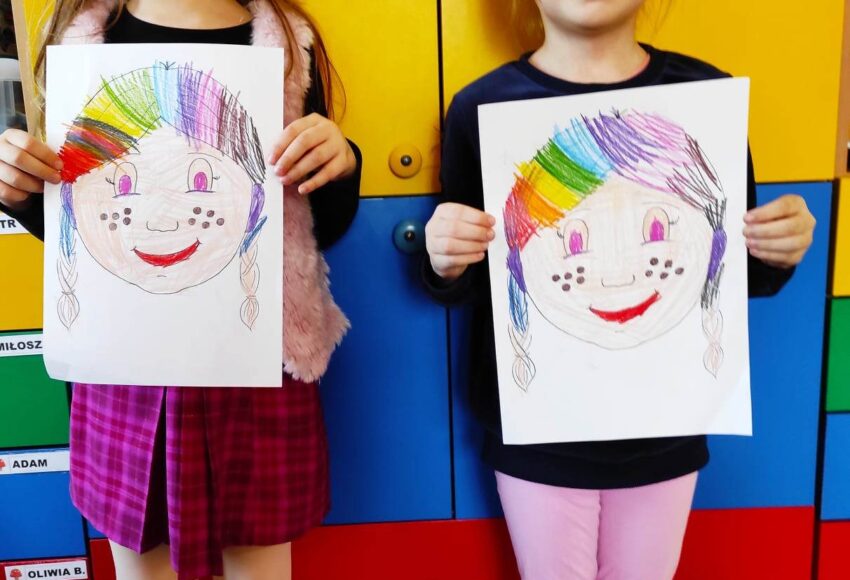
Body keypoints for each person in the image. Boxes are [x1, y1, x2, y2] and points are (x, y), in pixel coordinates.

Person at [423, 1, 816, 578]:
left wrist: (778, 247)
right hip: (536, 437)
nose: (614, 277)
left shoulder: (704, 96)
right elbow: (478, 281)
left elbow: (730, 273)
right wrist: (444, 260)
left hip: (667, 432)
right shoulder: (481, 108)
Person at [0, 1, 361, 578]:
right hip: (122, 372)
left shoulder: (287, 43)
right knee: (141, 563)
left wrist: (340, 165)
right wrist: (21, 193)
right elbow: (79, 226)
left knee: (260, 563)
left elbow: (318, 228)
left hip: (256, 362)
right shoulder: (80, 41)